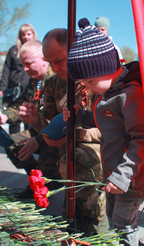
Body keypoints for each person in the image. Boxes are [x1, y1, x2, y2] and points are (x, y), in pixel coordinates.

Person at [63, 18, 144, 246]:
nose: (87, 87)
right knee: (116, 222)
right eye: (83, 83)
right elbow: (106, 122)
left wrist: (122, 176)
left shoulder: (129, 95)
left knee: (123, 224)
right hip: (116, 175)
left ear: (106, 69)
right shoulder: (109, 93)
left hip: (132, 178)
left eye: (90, 81)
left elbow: (142, 140)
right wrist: (80, 116)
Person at [18, 29, 108, 236]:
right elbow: (50, 125)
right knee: (68, 170)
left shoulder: (93, 79)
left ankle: (98, 224)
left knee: (78, 158)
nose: (54, 68)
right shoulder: (53, 82)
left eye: (60, 61)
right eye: (50, 62)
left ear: (74, 51)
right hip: (67, 148)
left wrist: (72, 136)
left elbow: (107, 127)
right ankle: (76, 219)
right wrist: (34, 120)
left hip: (94, 150)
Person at [0, 40, 59, 198]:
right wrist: (3, 116)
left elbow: (60, 122)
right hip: (38, 131)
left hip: (56, 136)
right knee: (13, 144)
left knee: (48, 155)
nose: (25, 69)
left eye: (28, 64)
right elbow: (20, 105)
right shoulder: (34, 83)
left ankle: (49, 181)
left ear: (43, 59)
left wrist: (39, 140)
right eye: (23, 65)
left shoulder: (56, 79)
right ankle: (38, 181)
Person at [0, 23, 37, 134]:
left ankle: (27, 144)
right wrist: (2, 87)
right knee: (14, 120)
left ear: (33, 34)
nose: (26, 37)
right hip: (14, 88)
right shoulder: (13, 51)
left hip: (30, 88)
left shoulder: (38, 49)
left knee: (29, 118)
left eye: (28, 34)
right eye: (23, 34)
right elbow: (6, 70)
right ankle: (15, 145)